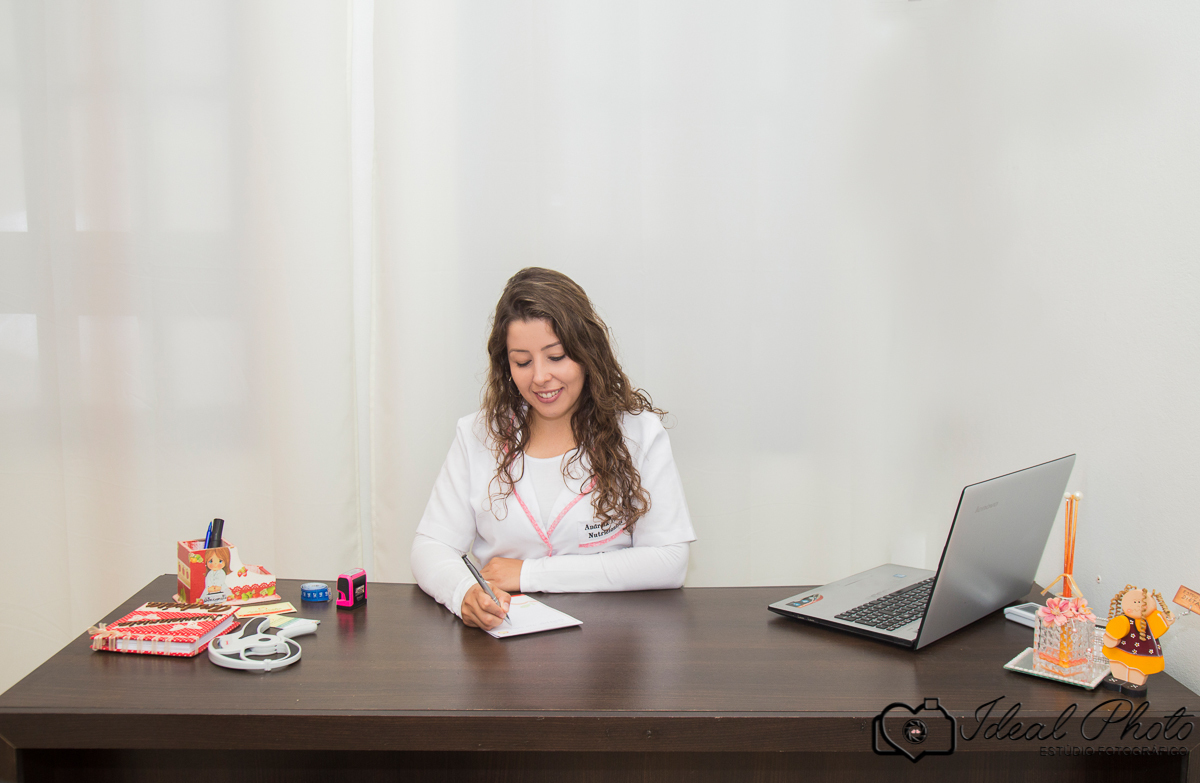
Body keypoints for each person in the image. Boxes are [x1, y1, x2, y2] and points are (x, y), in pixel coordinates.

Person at [411, 267, 695, 630]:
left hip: (613, 653)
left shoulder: (638, 434)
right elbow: (430, 547)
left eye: (556, 356)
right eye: (523, 362)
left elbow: (669, 561)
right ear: (506, 365)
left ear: (586, 352)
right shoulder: (478, 434)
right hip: (502, 658)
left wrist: (529, 574)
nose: (540, 376)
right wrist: (463, 593)